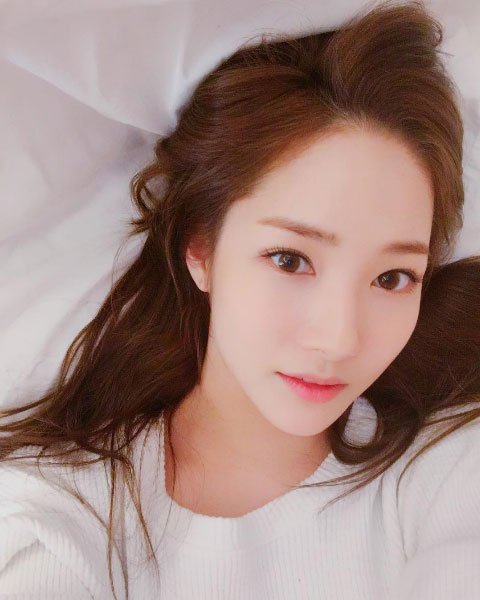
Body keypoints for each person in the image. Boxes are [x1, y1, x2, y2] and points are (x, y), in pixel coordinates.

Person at [1, 1, 479, 598]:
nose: (339, 339)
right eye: (290, 260)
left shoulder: (445, 465)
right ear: (200, 248)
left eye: (392, 278)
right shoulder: (61, 521)